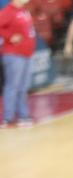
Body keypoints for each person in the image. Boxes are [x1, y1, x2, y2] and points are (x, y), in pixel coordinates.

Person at [0, 0, 35, 128]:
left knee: (23, 86)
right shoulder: (8, 11)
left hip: (26, 54)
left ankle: (23, 115)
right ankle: (7, 118)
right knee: (12, 85)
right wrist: (9, 36)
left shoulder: (24, 10)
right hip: (14, 54)